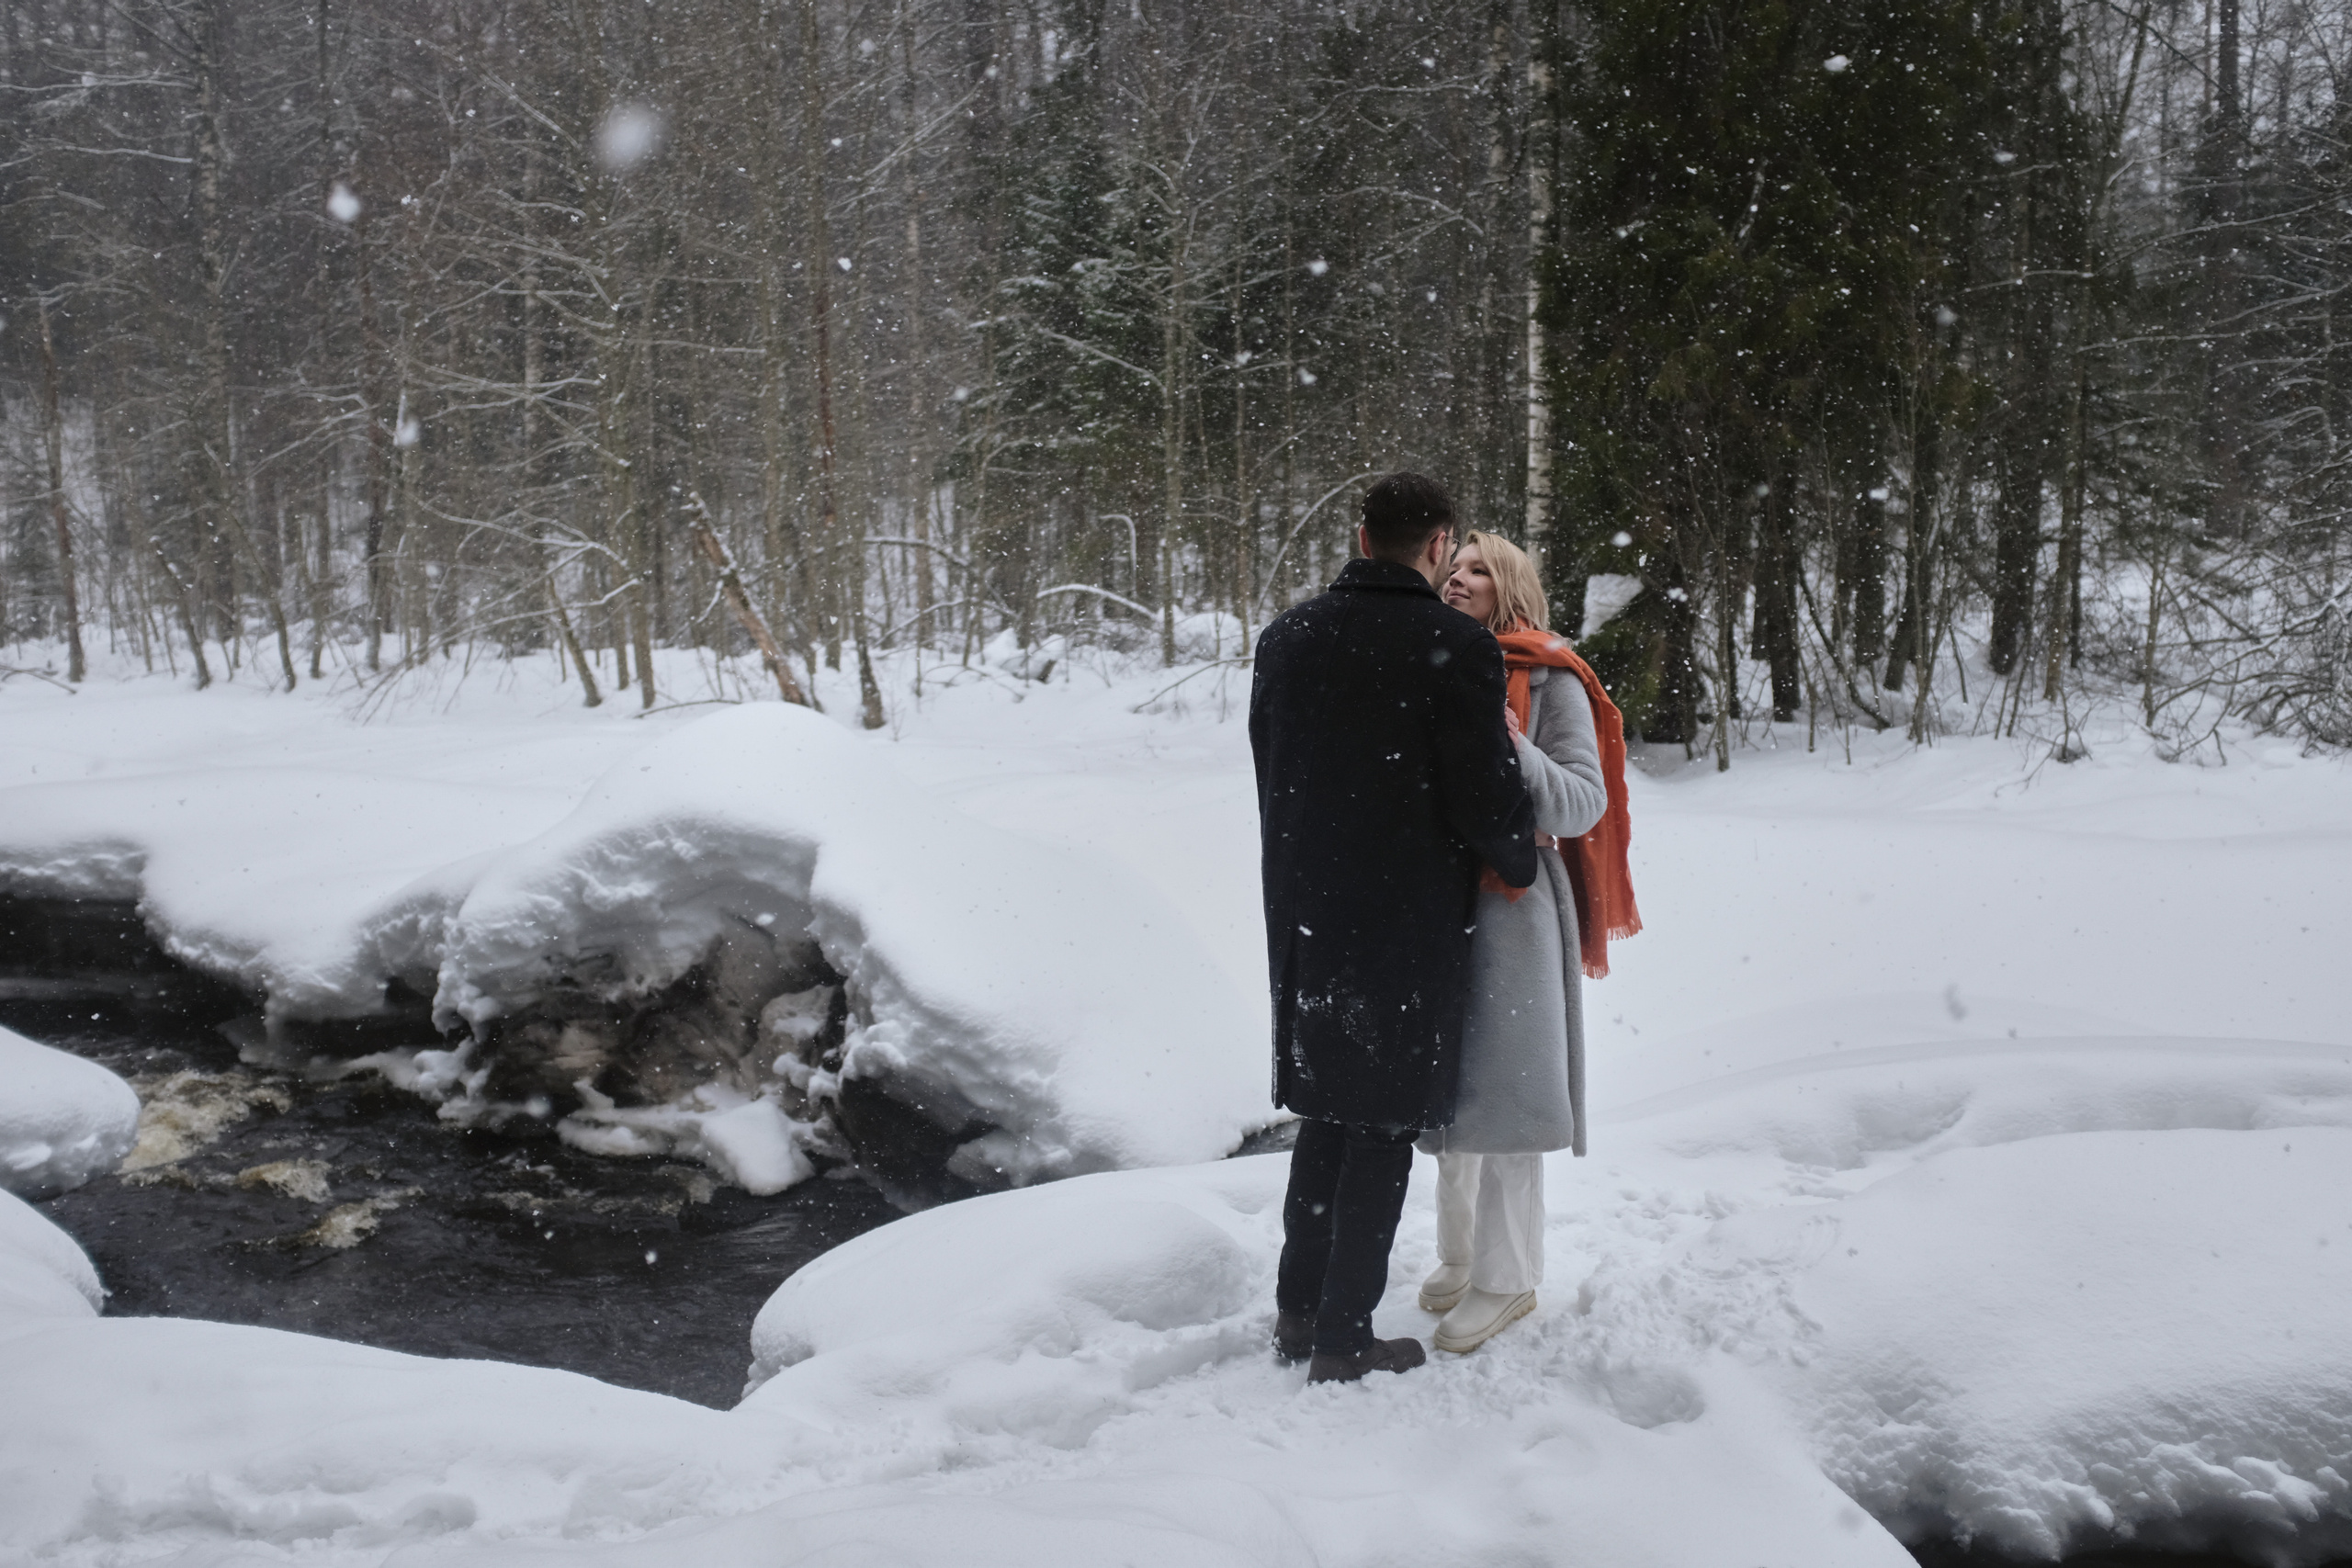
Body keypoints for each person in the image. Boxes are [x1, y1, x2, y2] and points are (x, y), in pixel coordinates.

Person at [1249, 473, 1537, 1385]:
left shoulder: (1287, 638)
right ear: (1440, 541)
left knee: (1325, 1119)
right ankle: (1342, 1339)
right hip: (1403, 920)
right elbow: (1484, 791)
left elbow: (1271, 767)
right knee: (1375, 1130)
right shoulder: (1450, 647)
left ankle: (1299, 1311)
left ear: (1361, 536)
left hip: (1303, 912)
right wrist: (1518, 861)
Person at [1415, 531, 1641, 1355]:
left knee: (1506, 1089)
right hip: (1437, 898)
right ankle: (1461, 1254)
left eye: (1478, 569)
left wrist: (1502, 741)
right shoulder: (1430, 662)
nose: (1456, 579)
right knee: (1445, 1081)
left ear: (1510, 587)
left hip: (1513, 906)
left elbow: (1581, 803)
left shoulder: (1547, 674)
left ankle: (1508, 1279)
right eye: (1452, 566)